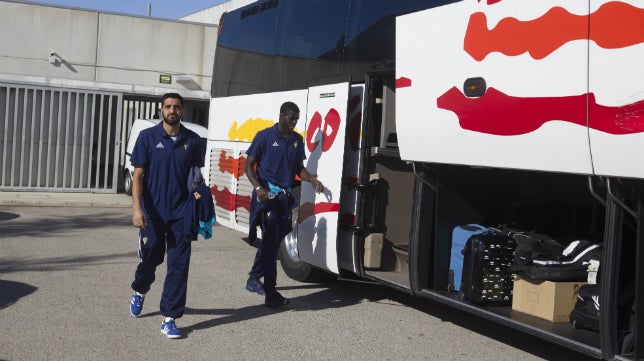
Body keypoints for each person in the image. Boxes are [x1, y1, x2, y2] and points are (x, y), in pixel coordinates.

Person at [128, 92, 205, 339]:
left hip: (182, 214)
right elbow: (138, 176)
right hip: (153, 213)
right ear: (161, 110)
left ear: (182, 111)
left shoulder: (192, 140)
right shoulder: (147, 137)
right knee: (152, 258)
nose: (172, 110)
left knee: (179, 265)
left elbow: (195, 175)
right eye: (168, 106)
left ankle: (169, 317)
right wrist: (137, 209)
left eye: (177, 107)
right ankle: (140, 289)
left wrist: (201, 202)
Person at [244, 101, 324, 308]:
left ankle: (254, 278)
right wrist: (258, 189)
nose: (294, 122)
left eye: (297, 119)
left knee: (275, 241)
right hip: (268, 198)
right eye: (291, 118)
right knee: (271, 247)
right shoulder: (264, 137)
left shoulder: (297, 140)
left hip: (284, 200)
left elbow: (299, 168)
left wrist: (312, 179)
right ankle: (271, 293)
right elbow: (248, 166)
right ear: (281, 115)